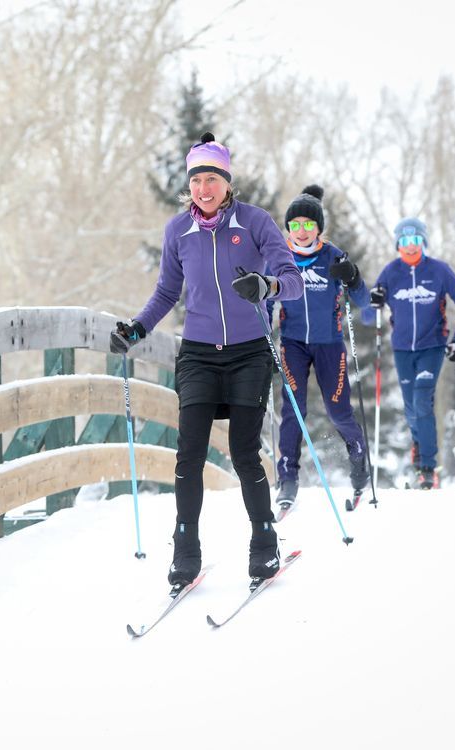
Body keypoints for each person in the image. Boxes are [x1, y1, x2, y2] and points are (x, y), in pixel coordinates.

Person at [110, 132, 303, 591]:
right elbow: (166, 292)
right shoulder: (178, 231)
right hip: (197, 353)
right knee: (188, 453)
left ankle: (264, 540)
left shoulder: (255, 223)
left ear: (227, 183)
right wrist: (136, 329)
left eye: (212, 178)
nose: (204, 188)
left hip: (249, 352)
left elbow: (290, 278)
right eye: (197, 179)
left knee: (242, 451)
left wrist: (267, 286)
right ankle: (185, 550)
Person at [271, 185, 371, 513]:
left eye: (308, 225)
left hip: (329, 344)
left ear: (319, 228)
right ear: (288, 229)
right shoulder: (279, 257)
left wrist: (353, 278)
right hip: (293, 344)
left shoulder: (333, 256)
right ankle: (288, 477)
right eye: (295, 225)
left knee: (338, 411)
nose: (301, 232)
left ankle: (358, 459)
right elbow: (265, 297)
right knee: (294, 410)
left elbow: (367, 306)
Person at [362, 217, 455, 489]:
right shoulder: (390, 273)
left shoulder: (438, 271)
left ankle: (427, 467)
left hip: (432, 346)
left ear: (423, 242)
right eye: (404, 241)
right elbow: (367, 316)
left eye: (415, 241)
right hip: (402, 350)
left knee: (422, 399)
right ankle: (418, 447)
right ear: (397, 244)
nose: (410, 247)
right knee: (412, 408)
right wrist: (373, 301)